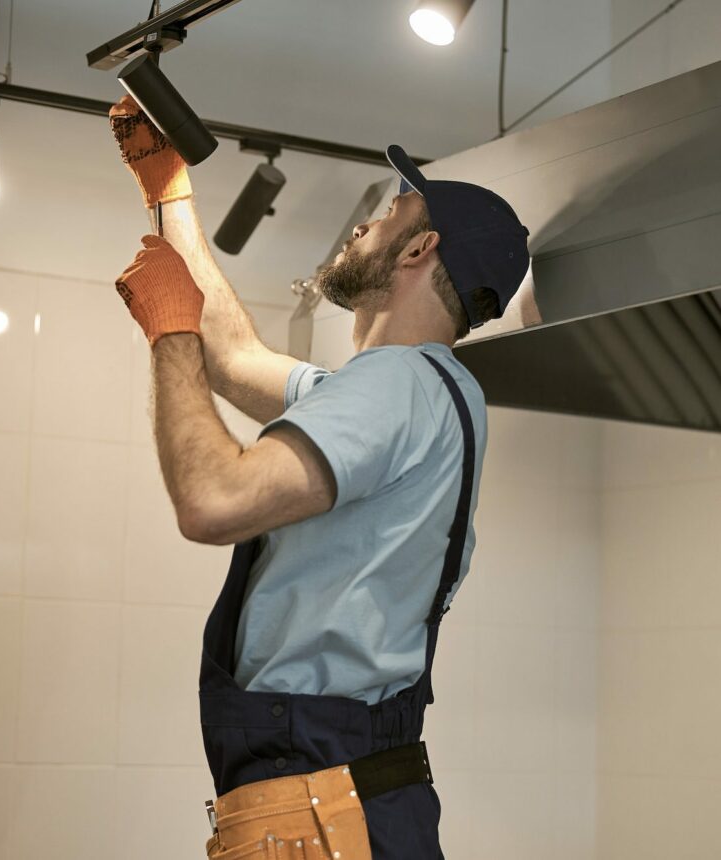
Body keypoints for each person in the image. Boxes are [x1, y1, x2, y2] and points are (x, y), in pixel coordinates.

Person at [109, 95, 530, 860]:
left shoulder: (396, 387)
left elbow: (212, 502)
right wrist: (169, 196)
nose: (362, 222)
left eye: (390, 210)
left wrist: (169, 337)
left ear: (418, 250)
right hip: (350, 792)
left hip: (323, 798)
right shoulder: (427, 392)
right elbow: (235, 360)